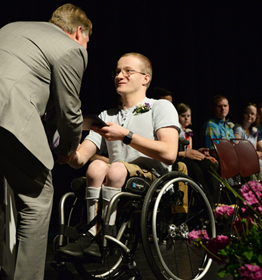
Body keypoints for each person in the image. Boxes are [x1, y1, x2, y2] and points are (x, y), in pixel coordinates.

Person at [0, 3, 92, 280]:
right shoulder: (71, 48)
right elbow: (70, 114)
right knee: (38, 200)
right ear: (79, 31)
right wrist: (66, 150)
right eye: (87, 42)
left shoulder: (14, 27)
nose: (87, 48)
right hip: (8, 114)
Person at [59, 52, 181, 258]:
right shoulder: (107, 116)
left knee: (115, 168)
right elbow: (81, 159)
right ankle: (92, 233)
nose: (119, 75)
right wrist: (69, 153)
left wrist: (126, 135)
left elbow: (169, 154)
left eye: (127, 71)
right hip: (117, 178)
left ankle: (107, 235)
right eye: (117, 71)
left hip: (151, 178)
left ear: (145, 78)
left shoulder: (159, 107)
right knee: (96, 167)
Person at [176, 103, 220, 209]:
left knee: (210, 165)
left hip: (188, 155)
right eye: (183, 116)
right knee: (195, 169)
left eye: (188, 116)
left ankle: (216, 203)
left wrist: (199, 152)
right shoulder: (176, 129)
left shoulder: (189, 131)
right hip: (180, 157)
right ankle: (207, 206)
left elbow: (190, 149)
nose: (186, 118)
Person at [233, 103, 262, 183]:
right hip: (242, 160)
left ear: (256, 116)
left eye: (252, 114)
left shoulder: (254, 131)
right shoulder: (238, 129)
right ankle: (255, 191)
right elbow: (237, 148)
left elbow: (253, 150)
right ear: (242, 114)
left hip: (252, 159)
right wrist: (255, 153)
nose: (249, 115)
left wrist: (259, 154)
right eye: (247, 113)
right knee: (261, 169)